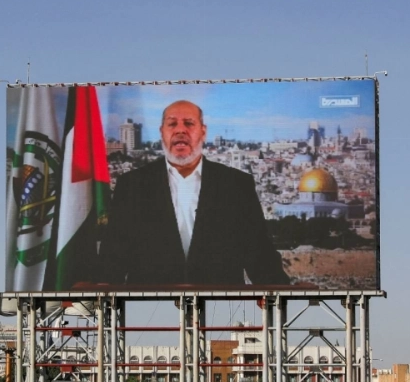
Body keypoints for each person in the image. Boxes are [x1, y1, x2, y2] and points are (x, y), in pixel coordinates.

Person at [98, 100, 290, 286]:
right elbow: (113, 256)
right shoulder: (132, 185)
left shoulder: (236, 184)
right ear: (162, 132)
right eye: (172, 124)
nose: (180, 130)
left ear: (203, 132)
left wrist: (289, 300)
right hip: (149, 311)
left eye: (189, 123)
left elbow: (260, 256)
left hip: (221, 310)